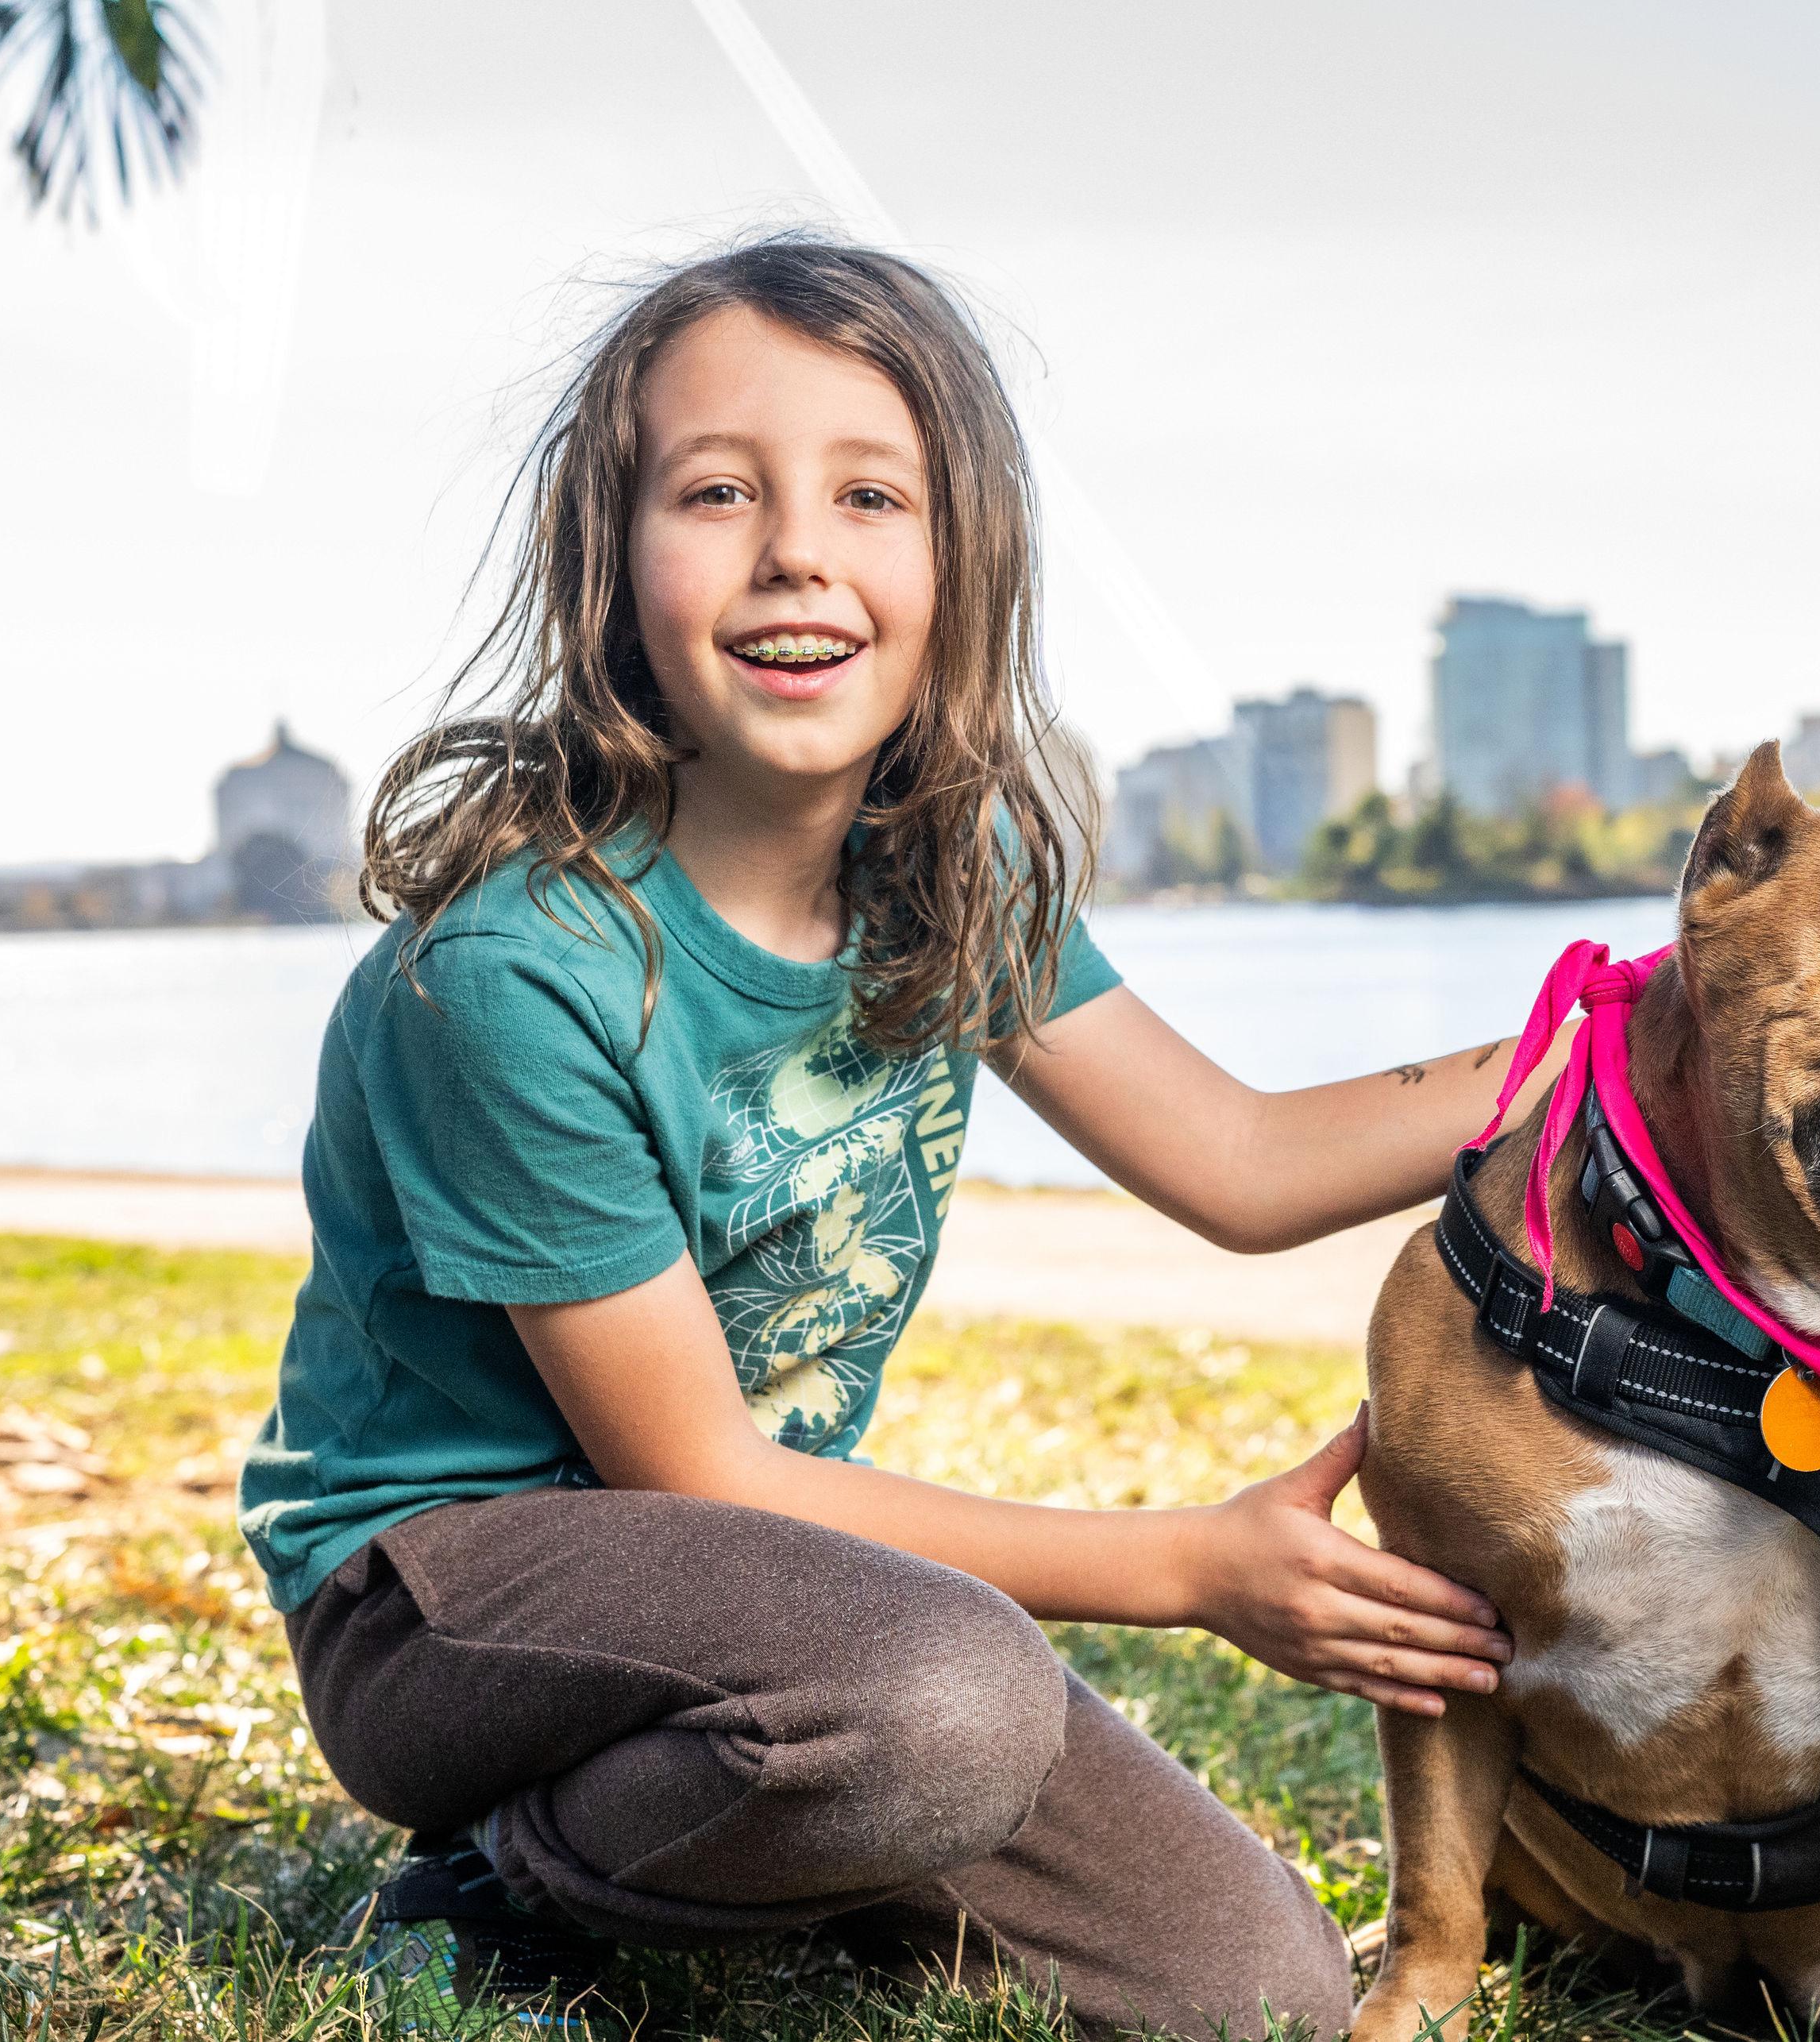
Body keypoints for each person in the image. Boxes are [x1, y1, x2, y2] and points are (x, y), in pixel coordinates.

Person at [237, 237, 1559, 2039]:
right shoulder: (510, 972)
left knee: (1247, 1984)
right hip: (445, 1605)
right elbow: (694, 1468)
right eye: (718, 491)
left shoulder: (952, 873)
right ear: (613, 567)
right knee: (949, 1695)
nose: (799, 548)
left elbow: (1243, 1161)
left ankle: (784, 1813)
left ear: (961, 565)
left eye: (873, 493)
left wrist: (1636, 1035)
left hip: (786, 1613)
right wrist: (1189, 1562)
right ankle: (507, 1876)